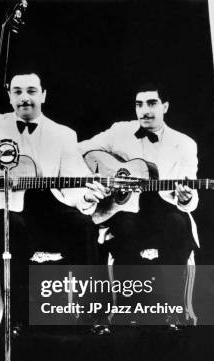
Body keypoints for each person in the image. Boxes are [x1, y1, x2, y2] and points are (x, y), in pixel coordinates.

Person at [0, 73, 106, 323]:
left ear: (43, 95)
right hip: (10, 208)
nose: (24, 98)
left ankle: (91, 316)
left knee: (84, 227)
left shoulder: (63, 134)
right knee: (9, 228)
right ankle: (16, 319)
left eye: (31, 91)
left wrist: (88, 195)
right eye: (18, 91)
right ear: (10, 96)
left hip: (49, 208)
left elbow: (76, 180)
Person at [78, 82, 198, 265]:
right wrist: (91, 178)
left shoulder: (185, 144)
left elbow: (191, 196)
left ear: (165, 106)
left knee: (177, 224)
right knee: (125, 228)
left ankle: (170, 291)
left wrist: (185, 198)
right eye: (139, 104)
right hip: (125, 211)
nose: (144, 110)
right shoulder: (120, 131)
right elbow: (78, 150)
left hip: (164, 211)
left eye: (151, 103)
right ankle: (131, 292)